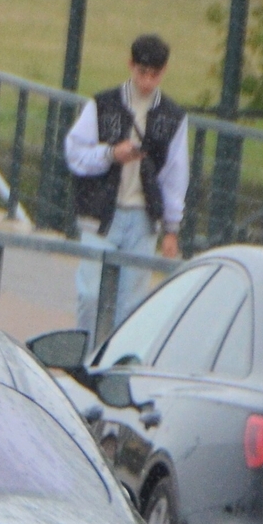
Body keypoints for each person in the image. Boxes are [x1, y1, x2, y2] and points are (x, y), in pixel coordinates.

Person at [64, 34, 189, 342]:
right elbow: (75, 153)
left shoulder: (172, 117)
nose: (147, 81)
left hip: (142, 218)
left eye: (154, 74)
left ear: (163, 72)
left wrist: (171, 228)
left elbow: (175, 176)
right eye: (142, 72)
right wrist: (110, 154)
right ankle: (83, 356)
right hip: (100, 212)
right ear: (130, 66)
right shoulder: (102, 105)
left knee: (131, 303)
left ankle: (115, 364)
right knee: (91, 294)